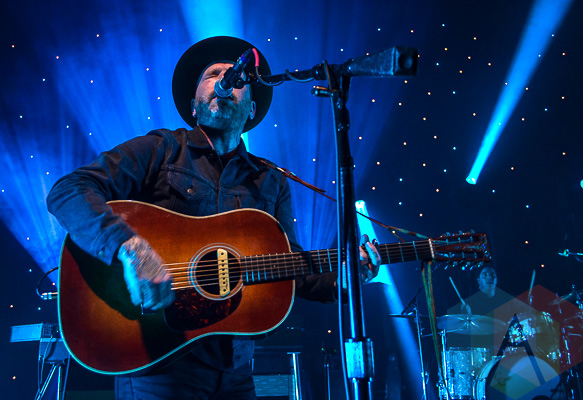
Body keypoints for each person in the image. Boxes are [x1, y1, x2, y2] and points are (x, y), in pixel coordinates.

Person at [47, 36, 380, 400]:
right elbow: (69, 190)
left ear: (251, 109)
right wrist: (129, 249)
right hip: (157, 364)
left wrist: (345, 278)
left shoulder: (271, 181)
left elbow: (290, 270)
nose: (226, 79)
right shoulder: (160, 150)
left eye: (237, 78)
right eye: (213, 74)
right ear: (194, 105)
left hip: (235, 369)